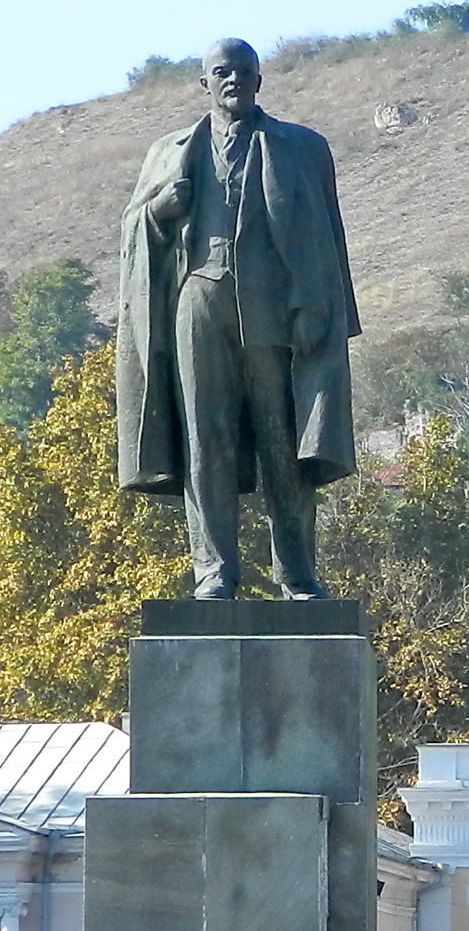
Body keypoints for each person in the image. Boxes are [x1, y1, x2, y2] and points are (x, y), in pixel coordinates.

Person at [113, 39, 360, 599]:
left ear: (259, 80)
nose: (234, 82)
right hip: (198, 301)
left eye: (244, 72)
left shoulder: (301, 148)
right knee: (205, 439)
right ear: (205, 84)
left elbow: (328, 242)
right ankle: (213, 571)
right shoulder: (168, 152)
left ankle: (295, 574)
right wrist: (157, 212)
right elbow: (132, 237)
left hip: (272, 308)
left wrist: (314, 308)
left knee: (283, 442)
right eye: (221, 73)